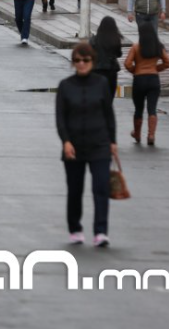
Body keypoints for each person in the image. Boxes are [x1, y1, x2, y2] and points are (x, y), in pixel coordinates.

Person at [56, 41, 115, 247]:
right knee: (75, 189)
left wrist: (113, 142)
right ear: (73, 63)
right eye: (77, 61)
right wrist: (66, 141)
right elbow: (60, 118)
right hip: (74, 147)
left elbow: (109, 114)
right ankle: (75, 228)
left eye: (85, 60)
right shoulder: (65, 86)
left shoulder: (101, 84)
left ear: (93, 61)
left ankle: (101, 231)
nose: (81, 64)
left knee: (101, 188)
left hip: (99, 145)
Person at [125, 23, 169, 146]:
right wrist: (156, 68)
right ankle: (151, 135)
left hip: (139, 80)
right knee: (152, 108)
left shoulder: (136, 47)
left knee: (138, 109)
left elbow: (127, 64)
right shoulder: (158, 47)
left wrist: (135, 71)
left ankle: (137, 134)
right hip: (153, 80)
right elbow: (168, 62)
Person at [90, 16, 123, 98]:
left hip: (96, 70)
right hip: (111, 71)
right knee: (109, 98)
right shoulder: (116, 39)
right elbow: (118, 54)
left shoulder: (94, 40)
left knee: (97, 97)